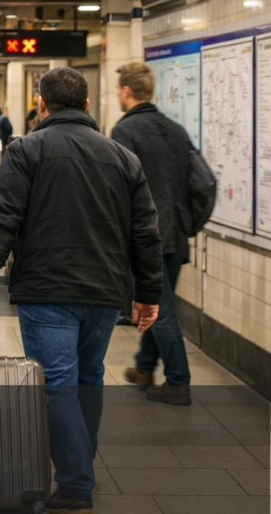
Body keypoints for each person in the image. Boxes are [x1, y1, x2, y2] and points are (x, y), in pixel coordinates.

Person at [0, 67, 162, 513]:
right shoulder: (122, 156)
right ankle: (80, 465)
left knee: (57, 385)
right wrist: (148, 293)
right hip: (104, 293)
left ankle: (75, 483)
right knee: (88, 379)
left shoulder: (26, 150)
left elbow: (3, 217)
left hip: (47, 288)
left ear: (41, 104)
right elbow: (146, 233)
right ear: (88, 106)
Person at [112, 63, 194, 406]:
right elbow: (203, 183)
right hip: (176, 233)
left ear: (127, 92)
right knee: (158, 303)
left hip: (147, 236)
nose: (118, 94)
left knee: (157, 306)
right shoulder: (176, 130)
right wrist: (188, 222)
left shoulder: (125, 132)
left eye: (118, 89)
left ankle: (178, 381)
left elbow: (117, 189)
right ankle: (145, 366)